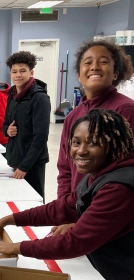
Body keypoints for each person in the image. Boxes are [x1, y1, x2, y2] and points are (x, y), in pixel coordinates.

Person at [0, 109, 134, 280]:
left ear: (113, 145)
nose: (81, 151)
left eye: (93, 143)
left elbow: (76, 242)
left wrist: (17, 247)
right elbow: (62, 208)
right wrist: (8, 220)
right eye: (76, 142)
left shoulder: (119, 186)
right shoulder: (100, 175)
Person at [57, 40, 134, 199]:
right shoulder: (73, 116)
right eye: (88, 62)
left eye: (104, 62)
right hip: (78, 207)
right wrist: (64, 209)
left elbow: (125, 174)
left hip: (107, 211)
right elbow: (65, 169)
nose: (95, 67)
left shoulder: (125, 110)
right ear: (79, 75)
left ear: (115, 74)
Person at [3, 51, 50, 202]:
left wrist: (24, 167)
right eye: (14, 71)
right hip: (15, 157)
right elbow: (5, 123)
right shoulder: (11, 94)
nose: (18, 75)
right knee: (17, 200)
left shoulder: (39, 98)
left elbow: (40, 137)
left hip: (32, 163)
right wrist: (7, 131)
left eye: (23, 71)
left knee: (32, 201)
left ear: (31, 72)